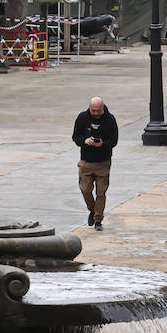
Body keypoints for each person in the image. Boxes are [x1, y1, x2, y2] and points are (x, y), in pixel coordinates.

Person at [72, 96, 118, 231]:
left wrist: (103, 144)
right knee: (85, 189)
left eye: (98, 110)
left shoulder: (110, 119)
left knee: (101, 193)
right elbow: (75, 137)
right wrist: (85, 141)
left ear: (103, 108)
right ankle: (92, 210)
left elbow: (114, 141)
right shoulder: (82, 117)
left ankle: (98, 219)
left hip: (103, 162)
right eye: (93, 111)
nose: (96, 113)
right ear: (89, 108)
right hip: (86, 161)